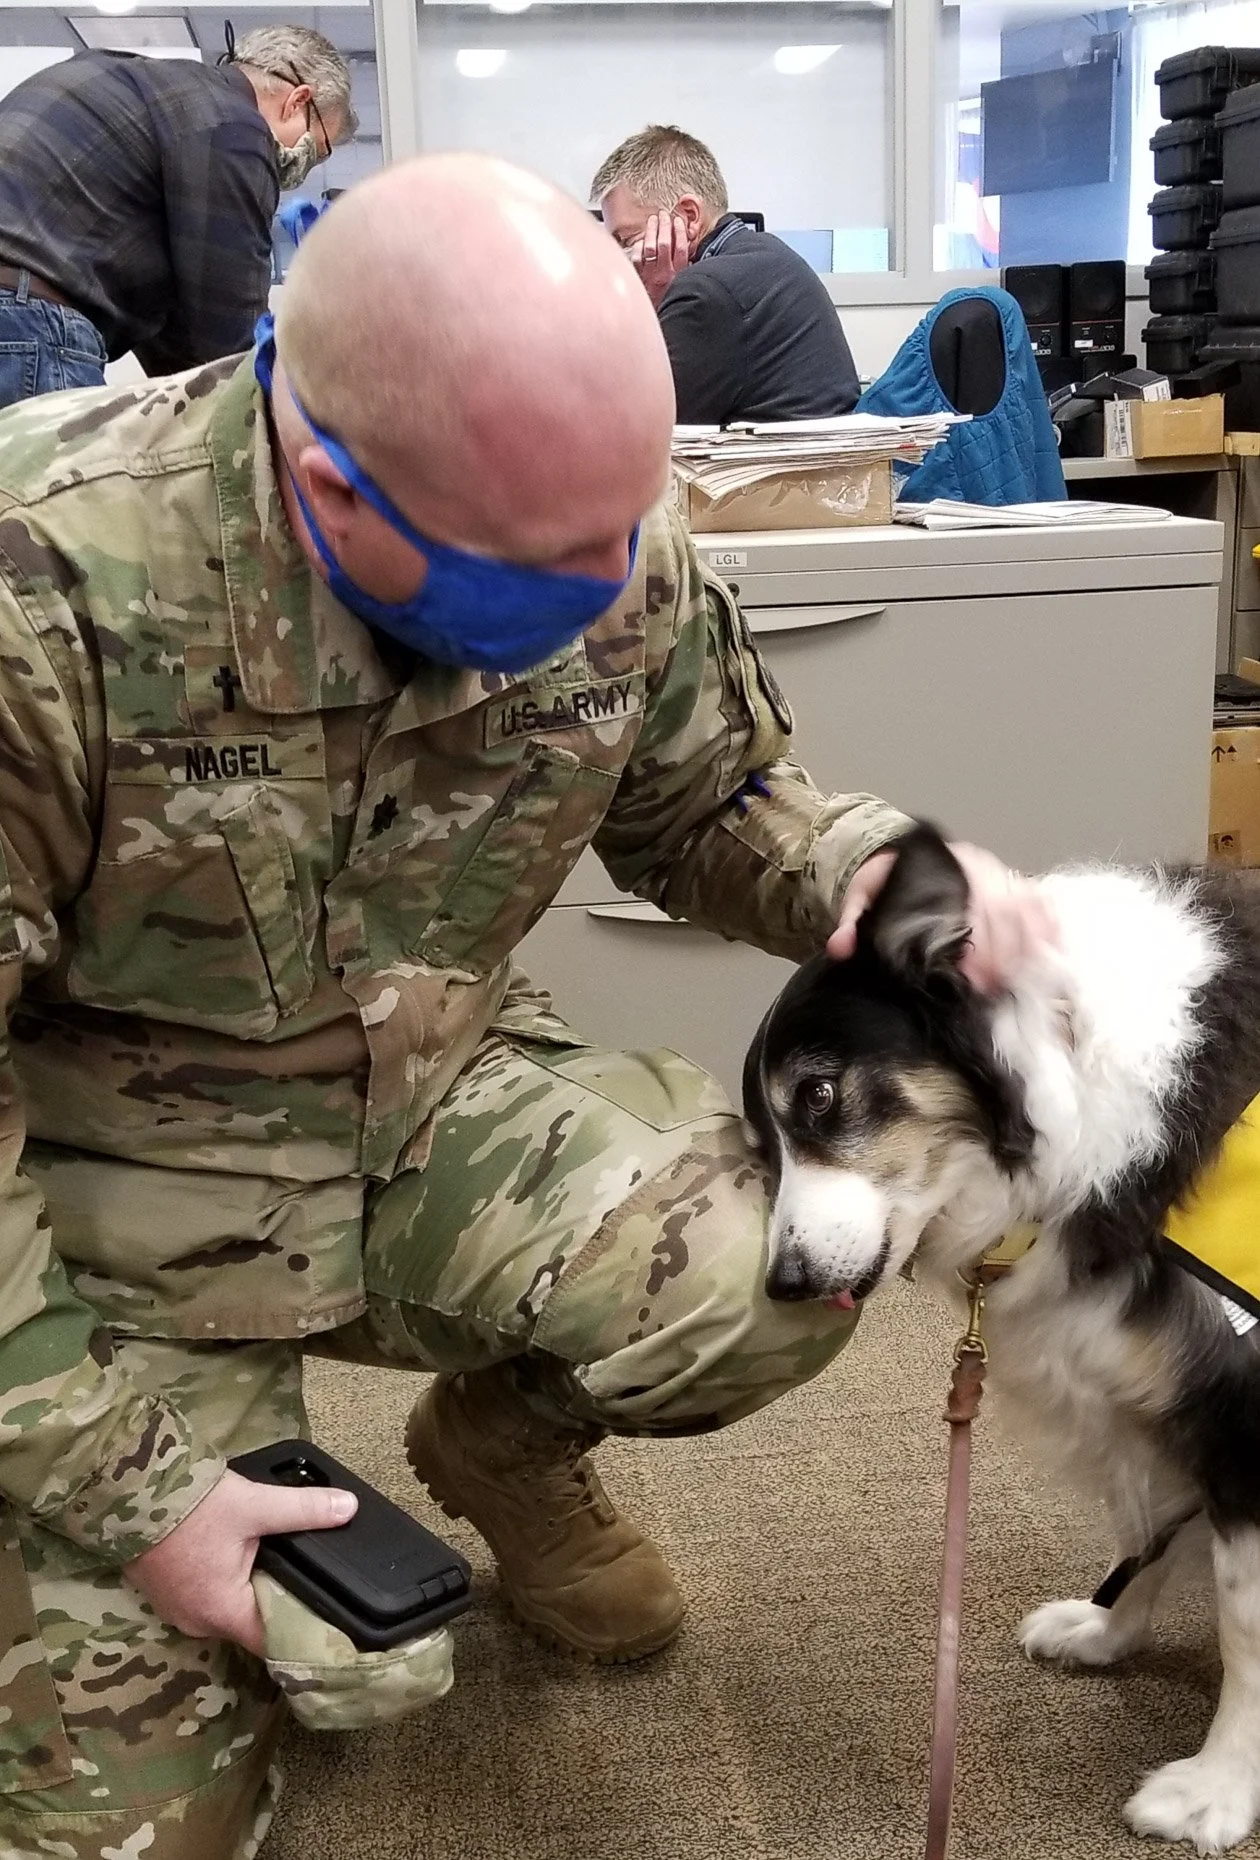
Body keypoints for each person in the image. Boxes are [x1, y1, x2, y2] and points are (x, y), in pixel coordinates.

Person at [0, 153, 1051, 1857]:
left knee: (783, 1266)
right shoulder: (41, 580)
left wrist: (866, 870)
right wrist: (141, 1500)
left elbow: (710, 798)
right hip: (115, 1212)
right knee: (144, 1824)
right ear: (329, 490)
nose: (595, 595)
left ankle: (499, 1449)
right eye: (538, 568)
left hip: (432, 1107)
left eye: (616, 539)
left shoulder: (608, 538)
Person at [0, 24, 354, 408]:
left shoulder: (142, 88)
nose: (304, 167)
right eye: (317, 149)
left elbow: (179, 340)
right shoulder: (233, 127)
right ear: (297, 101)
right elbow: (225, 338)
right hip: (27, 327)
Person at [592, 124, 861, 425]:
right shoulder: (764, 252)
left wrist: (655, 297)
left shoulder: (705, 292)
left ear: (689, 216)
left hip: (767, 470)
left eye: (627, 240)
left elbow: (634, 429)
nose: (619, 259)